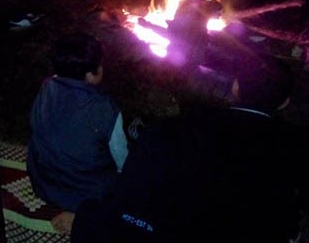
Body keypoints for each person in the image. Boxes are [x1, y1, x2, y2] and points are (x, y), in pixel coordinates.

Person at [70, 54, 303, 243]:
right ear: (285, 102)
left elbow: (130, 194)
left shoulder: (176, 129)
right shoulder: (295, 147)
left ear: (235, 87)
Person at [27, 34, 128, 230]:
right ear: (90, 75)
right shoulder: (106, 109)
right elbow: (122, 160)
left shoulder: (47, 87)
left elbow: (34, 123)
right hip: (84, 194)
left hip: (43, 181)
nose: (103, 68)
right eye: (100, 65)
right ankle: (83, 216)